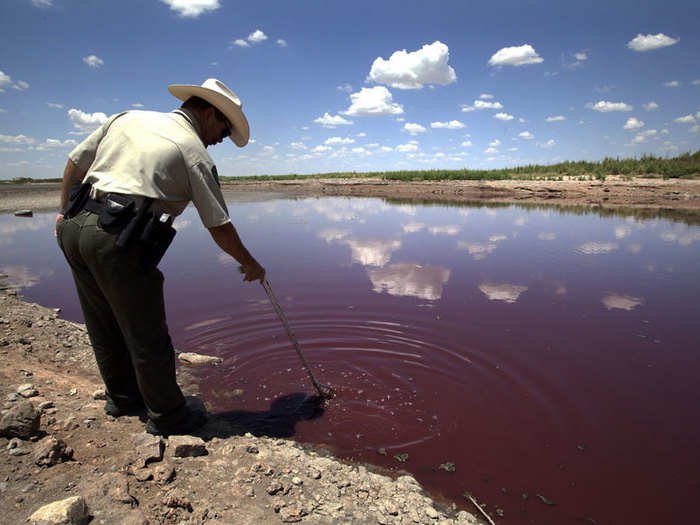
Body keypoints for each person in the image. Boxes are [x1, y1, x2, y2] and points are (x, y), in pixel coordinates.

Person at [55, 79, 265, 436]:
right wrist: (250, 263)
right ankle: (169, 416)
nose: (221, 138)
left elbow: (75, 162)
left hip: (75, 229)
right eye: (223, 128)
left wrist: (62, 215)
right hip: (118, 239)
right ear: (208, 112)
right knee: (146, 333)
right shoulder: (192, 150)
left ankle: (123, 399)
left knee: (102, 322)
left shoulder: (126, 118)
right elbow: (219, 226)